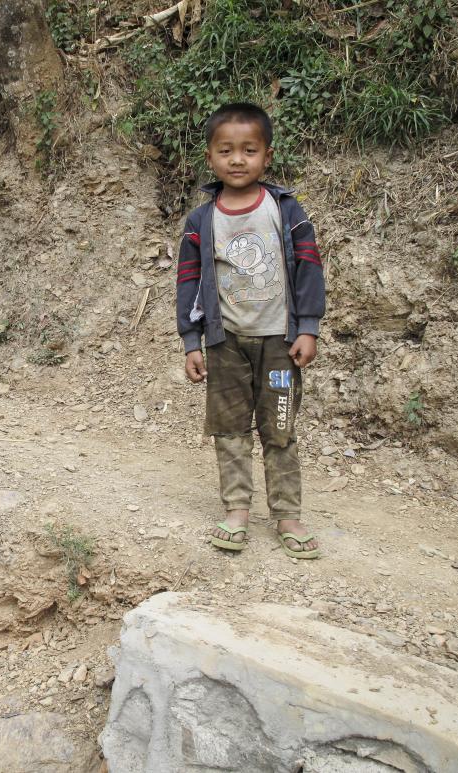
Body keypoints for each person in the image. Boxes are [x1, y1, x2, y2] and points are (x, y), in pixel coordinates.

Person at [176, 103, 326, 559]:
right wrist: (191, 340)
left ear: (267, 155)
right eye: (226, 150)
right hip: (226, 346)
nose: (237, 160)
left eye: (249, 150)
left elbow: (309, 269)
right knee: (230, 430)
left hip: (281, 345)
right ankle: (237, 511)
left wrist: (308, 328)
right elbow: (188, 281)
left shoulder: (284, 209)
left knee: (279, 429)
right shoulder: (202, 221)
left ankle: (287, 515)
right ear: (210, 157)